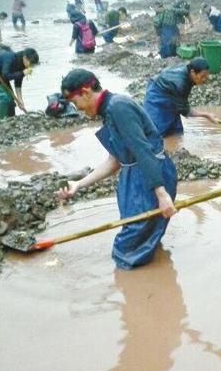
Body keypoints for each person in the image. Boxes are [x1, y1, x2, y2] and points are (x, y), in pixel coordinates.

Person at [56, 68, 178, 269]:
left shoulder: (118, 108)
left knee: (127, 247)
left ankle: (135, 291)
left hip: (150, 177)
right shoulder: (109, 111)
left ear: (86, 92)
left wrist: (161, 194)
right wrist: (78, 184)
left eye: (74, 102)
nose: (76, 108)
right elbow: (115, 161)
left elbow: (142, 150)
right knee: (140, 237)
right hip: (135, 177)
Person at [143, 57, 219, 137]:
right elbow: (185, 111)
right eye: (202, 76)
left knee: (177, 132)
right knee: (156, 133)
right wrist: (206, 115)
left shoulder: (188, 71)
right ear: (193, 72)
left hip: (170, 91)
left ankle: (176, 146)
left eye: (206, 76)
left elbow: (181, 103)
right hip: (156, 93)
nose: (204, 80)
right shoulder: (180, 84)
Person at [0, 46, 39, 120]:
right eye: (31, 64)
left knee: (11, 102)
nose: (31, 67)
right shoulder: (9, 57)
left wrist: (20, 100)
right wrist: (22, 73)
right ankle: (0, 121)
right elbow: (6, 75)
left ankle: (11, 119)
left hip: (3, 77)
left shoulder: (22, 65)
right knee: (5, 97)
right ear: (25, 58)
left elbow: (18, 83)